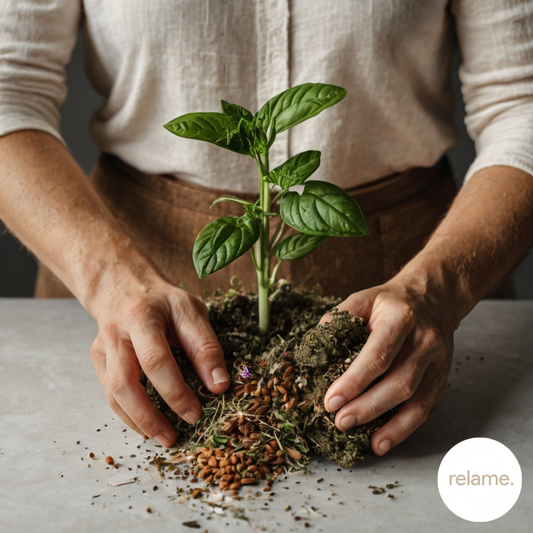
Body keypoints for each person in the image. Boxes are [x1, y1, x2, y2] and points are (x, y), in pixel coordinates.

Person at [1, 1, 532, 456]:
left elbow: (522, 103)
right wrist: (109, 282)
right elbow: (9, 87)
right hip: (121, 269)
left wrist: (435, 289)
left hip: (412, 272)